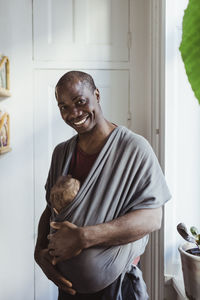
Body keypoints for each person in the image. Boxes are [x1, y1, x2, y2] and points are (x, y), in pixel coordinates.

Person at [34, 71, 171, 300]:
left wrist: (84, 237)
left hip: (119, 288)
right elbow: (50, 210)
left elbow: (152, 218)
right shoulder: (61, 153)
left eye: (80, 102)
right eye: (64, 107)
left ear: (96, 95)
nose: (73, 113)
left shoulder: (134, 149)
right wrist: (39, 253)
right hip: (69, 290)